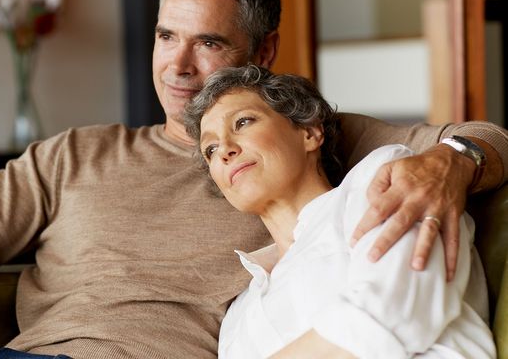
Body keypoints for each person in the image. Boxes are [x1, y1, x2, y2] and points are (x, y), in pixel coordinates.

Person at [0, 0, 506, 359]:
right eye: (165, 36)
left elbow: (482, 138)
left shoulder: (303, 137)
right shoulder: (74, 155)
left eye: (209, 43)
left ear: (265, 54)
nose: (179, 66)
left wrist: (454, 159)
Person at [184, 64, 496, 358]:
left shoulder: (380, 180)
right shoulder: (238, 317)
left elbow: (391, 313)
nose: (224, 149)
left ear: (309, 133)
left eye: (243, 122)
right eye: (210, 150)